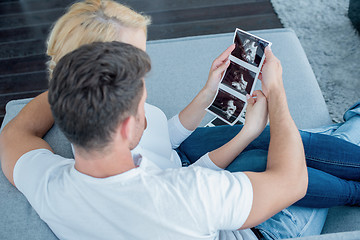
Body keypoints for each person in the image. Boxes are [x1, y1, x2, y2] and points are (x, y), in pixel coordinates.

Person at [42, 0, 360, 209]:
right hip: (186, 177)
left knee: (283, 139)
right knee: (258, 159)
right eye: (136, 55)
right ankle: (354, 195)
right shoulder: (108, 135)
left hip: (178, 155)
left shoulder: (109, 95)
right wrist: (246, 132)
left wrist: (210, 88)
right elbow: (187, 181)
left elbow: (162, 138)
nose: (145, 64)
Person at [0, 40, 310, 239]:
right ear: (124, 129)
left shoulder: (49, 188)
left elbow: (14, 133)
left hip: (222, 207)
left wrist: (77, 81)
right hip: (264, 228)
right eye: (141, 111)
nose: (147, 120)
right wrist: (278, 91)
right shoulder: (189, 194)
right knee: (310, 147)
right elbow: (293, 182)